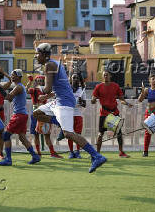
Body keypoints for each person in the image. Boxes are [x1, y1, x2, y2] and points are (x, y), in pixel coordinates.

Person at [33, 43, 106, 173]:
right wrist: (48, 96)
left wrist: (37, 87)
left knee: (69, 134)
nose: (35, 56)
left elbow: (47, 88)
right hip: (59, 100)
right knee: (37, 113)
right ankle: (61, 125)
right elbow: (60, 85)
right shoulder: (54, 63)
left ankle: (96, 156)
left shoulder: (49, 65)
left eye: (37, 53)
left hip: (64, 102)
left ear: (44, 55)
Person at [0, 69, 41, 166]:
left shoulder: (18, 87)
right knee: (22, 137)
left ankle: (8, 159)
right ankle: (35, 156)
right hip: (22, 115)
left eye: (14, 75)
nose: (12, 77)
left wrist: (0, 88)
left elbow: (8, 98)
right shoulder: (19, 87)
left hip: (18, 115)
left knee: (6, 135)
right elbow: (10, 99)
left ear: (19, 77)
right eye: (11, 75)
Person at [92, 71, 132, 158]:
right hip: (104, 114)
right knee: (100, 134)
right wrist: (93, 100)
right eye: (104, 75)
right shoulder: (98, 87)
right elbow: (93, 100)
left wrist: (127, 103)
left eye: (107, 75)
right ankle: (97, 154)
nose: (105, 76)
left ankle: (121, 152)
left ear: (110, 76)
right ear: (102, 76)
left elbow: (121, 99)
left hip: (114, 113)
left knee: (119, 133)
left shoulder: (115, 86)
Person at [27, 75, 62, 158]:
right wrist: (30, 81)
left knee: (47, 134)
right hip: (36, 112)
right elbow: (26, 90)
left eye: (41, 80)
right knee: (36, 134)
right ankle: (38, 153)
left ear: (44, 82)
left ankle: (52, 152)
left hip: (45, 113)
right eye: (38, 80)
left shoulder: (46, 90)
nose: (39, 82)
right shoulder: (34, 90)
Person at [68, 73, 86, 159]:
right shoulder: (68, 90)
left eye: (77, 78)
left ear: (79, 80)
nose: (75, 79)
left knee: (78, 135)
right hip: (69, 115)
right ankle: (71, 152)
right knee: (69, 134)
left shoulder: (82, 90)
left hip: (78, 114)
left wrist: (81, 101)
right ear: (71, 79)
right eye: (73, 78)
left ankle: (77, 152)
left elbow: (84, 104)